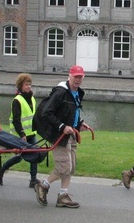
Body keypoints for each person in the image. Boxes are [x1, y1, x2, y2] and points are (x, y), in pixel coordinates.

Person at [33, 65, 92, 208]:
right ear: (69, 76)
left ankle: (63, 195)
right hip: (58, 134)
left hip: (70, 133)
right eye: (75, 77)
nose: (78, 79)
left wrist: (79, 125)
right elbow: (47, 112)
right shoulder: (60, 92)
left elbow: (70, 113)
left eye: (80, 77)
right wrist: (62, 127)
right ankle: (43, 185)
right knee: (64, 166)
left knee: (71, 167)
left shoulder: (77, 93)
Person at [0, 73, 39, 187]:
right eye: (26, 84)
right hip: (21, 134)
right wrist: (22, 134)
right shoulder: (17, 100)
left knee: (35, 154)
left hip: (31, 133)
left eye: (30, 84)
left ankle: (33, 179)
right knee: (18, 157)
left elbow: (33, 115)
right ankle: (1, 171)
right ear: (20, 86)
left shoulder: (32, 98)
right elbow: (16, 120)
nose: (29, 86)